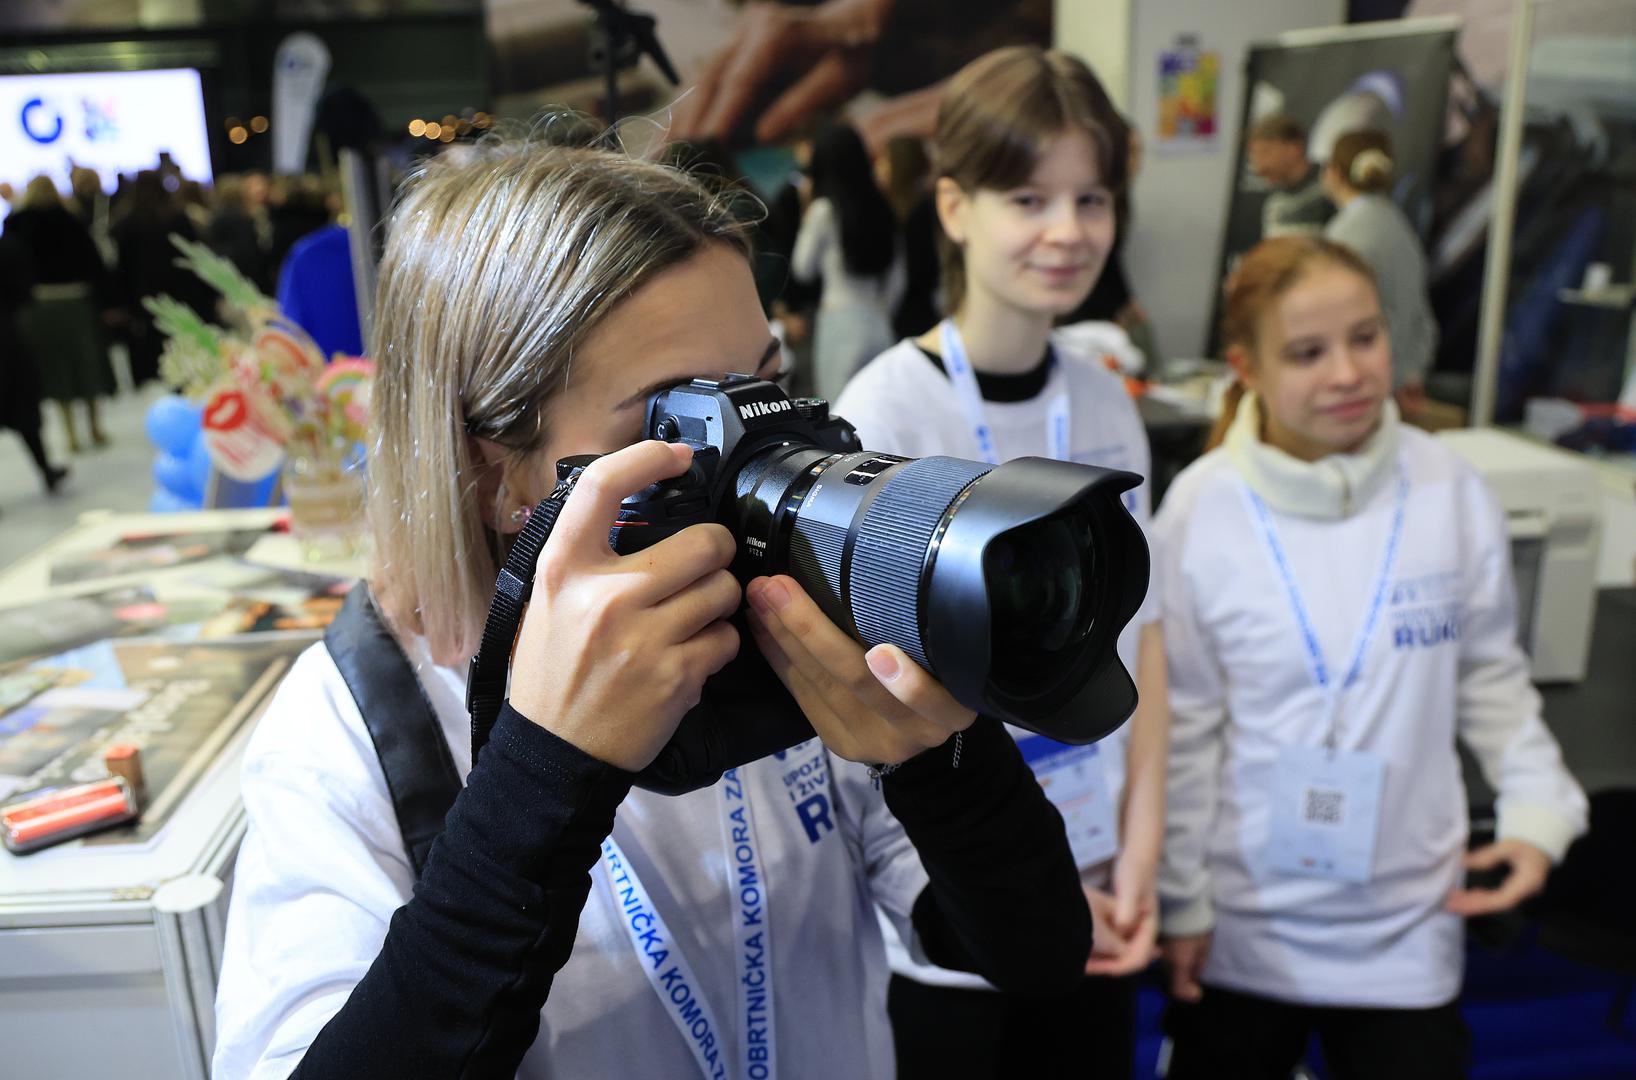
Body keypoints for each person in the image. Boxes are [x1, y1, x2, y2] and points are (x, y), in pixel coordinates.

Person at [211, 131, 1093, 1080]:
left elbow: (1030, 955)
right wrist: (546, 774)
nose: (756, 456)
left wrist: (945, 759)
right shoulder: (352, 728)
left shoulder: (787, 619)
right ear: (493, 469)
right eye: (679, 420)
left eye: (767, 387)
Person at [1155, 236, 1588, 1079]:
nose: (1349, 373)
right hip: (1246, 928)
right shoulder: (1200, 511)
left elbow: (1491, 678)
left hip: (1408, 928)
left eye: (1366, 337)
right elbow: (1185, 734)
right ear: (1245, 367)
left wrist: (1540, 811)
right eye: (1308, 353)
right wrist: (1183, 902)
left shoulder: (1450, 492)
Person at [835, 45, 1169, 1078]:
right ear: (953, 207)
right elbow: (855, 692)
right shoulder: (886, 412)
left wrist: (1142, 850)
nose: (1067, 232)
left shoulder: (1106, 402)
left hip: (1098, 883)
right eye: (1028, 197)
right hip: (952, 910)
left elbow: (1143, 639)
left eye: (1091, 197)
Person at [790, 122, 903, 402]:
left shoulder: (824, 211)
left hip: (839, 321)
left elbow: (802, 267)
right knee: (882, 406)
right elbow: (899, 277)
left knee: (840, 411)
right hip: (879, 320)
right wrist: (882, 310)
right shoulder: (882, 206)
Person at [1322, 130, 1438, 401]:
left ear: (1335, 172)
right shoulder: (1398, 226)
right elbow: (1421, 317)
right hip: (1395, 382)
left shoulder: (1346, 235)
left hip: (1361, 388)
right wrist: (1412, 373)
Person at [3, 176, 116, 450]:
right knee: (85, 364)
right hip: (75, 302)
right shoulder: (70, 220)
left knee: (56, 369)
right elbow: (94, 263)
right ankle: (94, 428)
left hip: (41, 306)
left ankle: (71, 435)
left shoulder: (17, 224)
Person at [0, 228, 69, 498]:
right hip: (7, 336)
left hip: (8, 338)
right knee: (23, 409)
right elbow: (24, 291)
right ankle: (45, 469)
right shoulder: (8, 247)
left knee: (23, 407)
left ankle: (46, 469)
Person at [1246, 114, 1333, 239]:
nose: (1259, 167)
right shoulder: (1273, 204)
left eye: (1266, 152)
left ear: (1294, 148)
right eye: (1253, 156)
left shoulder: (1333, 186)